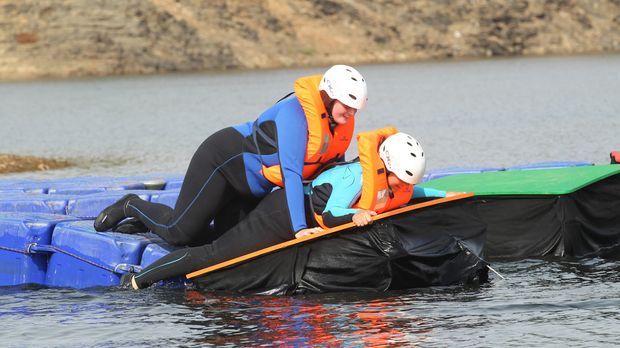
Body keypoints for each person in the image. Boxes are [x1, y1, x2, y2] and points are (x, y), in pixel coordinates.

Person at [119, 127, 459, 290]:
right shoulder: (356, 177)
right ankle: (137, 281)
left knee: (215, 238)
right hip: (283, 212)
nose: (403, 189)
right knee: (213, 254)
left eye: (406, 183)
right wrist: (354, 215)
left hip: (295, 216)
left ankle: (140, 223)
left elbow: (417, 193)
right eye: (400, 181)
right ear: (386, 167)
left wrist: (450, 196)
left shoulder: (393, 182)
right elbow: (328, 213)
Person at [94, 65, 368, 247]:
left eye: (356, 109)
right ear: (328, 96)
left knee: (220, 241)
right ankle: (132, 206)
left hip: (250, 189)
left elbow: (334, 175)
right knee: (181, 233)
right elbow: (292, 174)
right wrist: (299, 228)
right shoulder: (294, 114)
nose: (351, 114)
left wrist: (343, 214)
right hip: (222, 162)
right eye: (348, 106)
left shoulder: (337, 126)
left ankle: (142, 226)